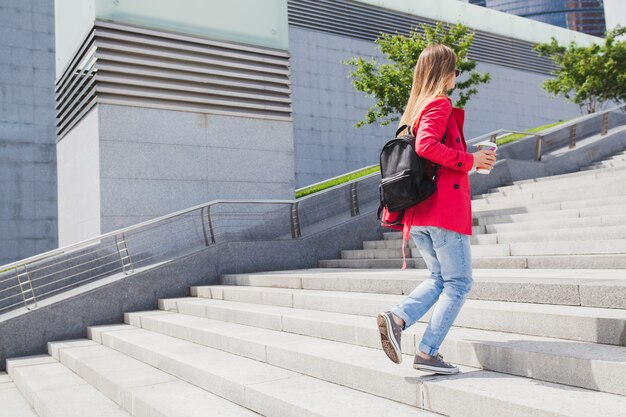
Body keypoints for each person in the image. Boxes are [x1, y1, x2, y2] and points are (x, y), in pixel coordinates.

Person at [376, 44, 497, 374]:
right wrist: (471, 160)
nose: (457, 76)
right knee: (459, 283)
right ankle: (428, 353)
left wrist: (470, 161)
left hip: (419, 214)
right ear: (445, 72)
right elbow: (428, 146)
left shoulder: (414, 111)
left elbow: (425, 148)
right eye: (455, 71)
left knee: (439, 278)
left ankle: (397, 319)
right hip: (443, 212)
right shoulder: (438, 104)